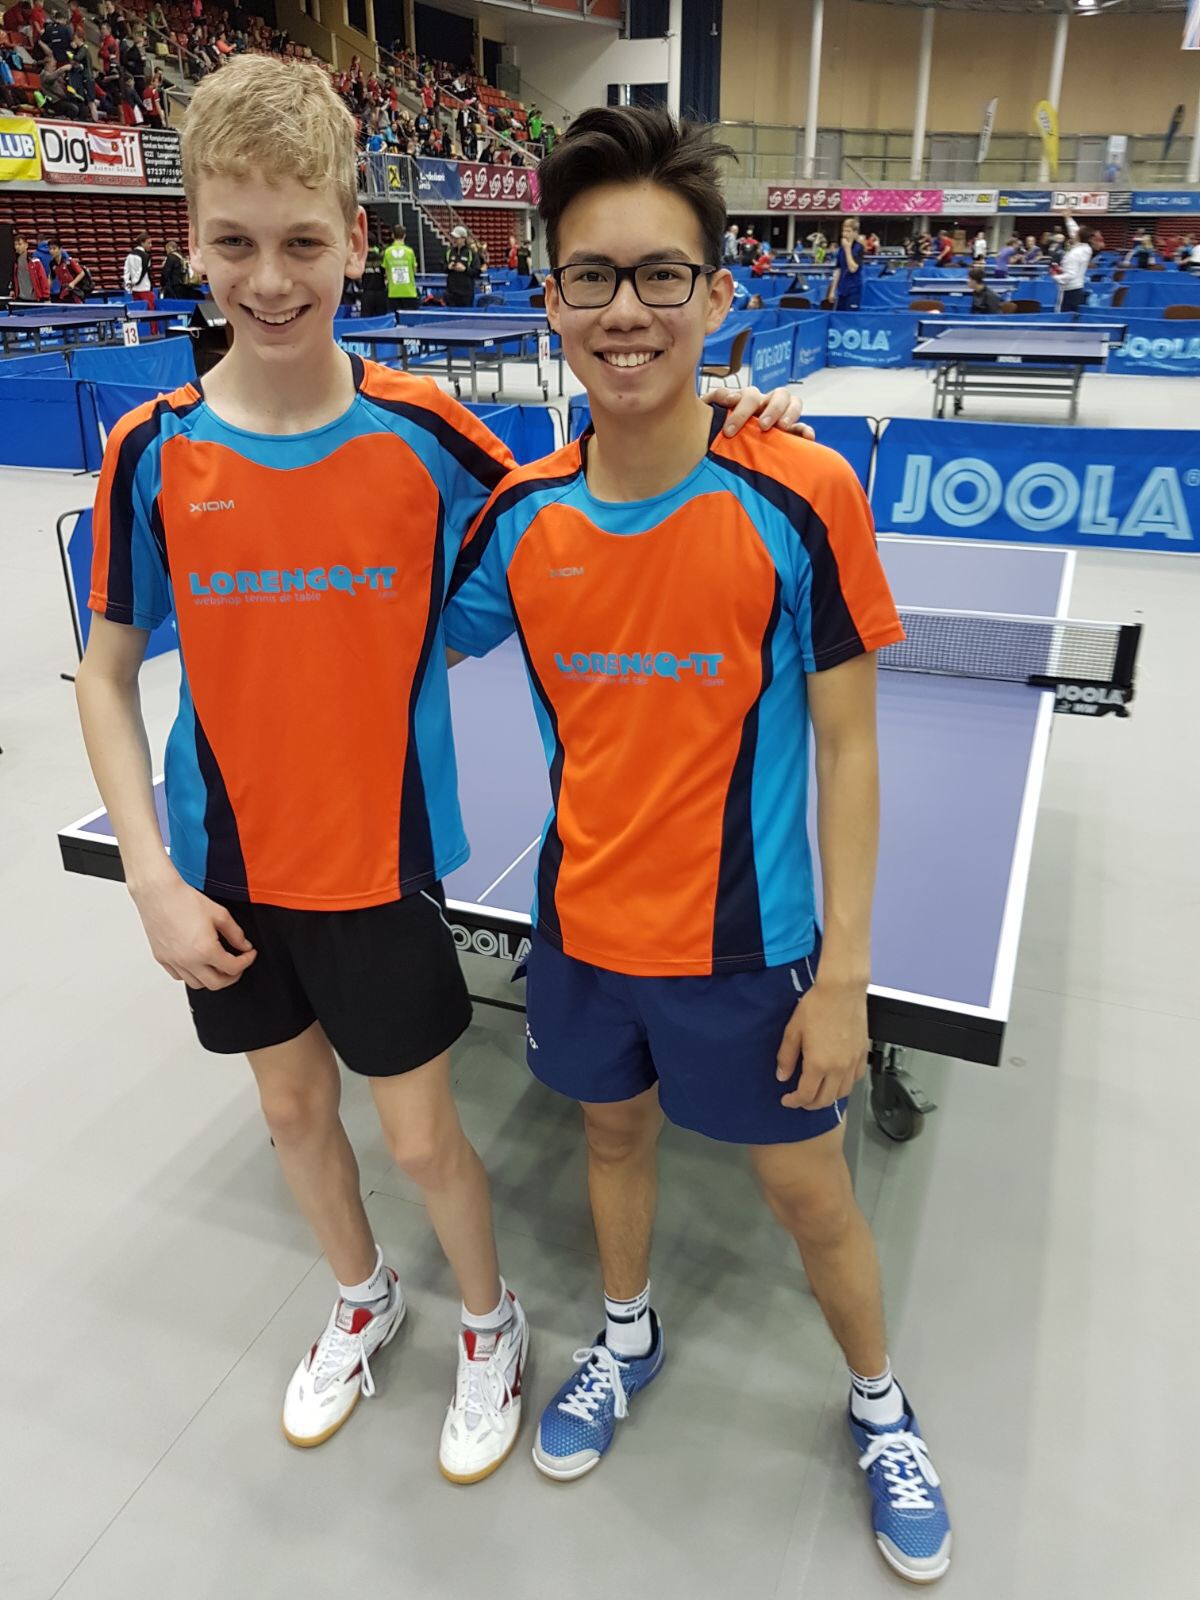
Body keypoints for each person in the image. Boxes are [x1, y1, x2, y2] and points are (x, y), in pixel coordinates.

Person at [69, 50, 812, 1493]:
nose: (269, 278)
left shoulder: (425, 434)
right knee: (292, 1115)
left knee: (419, 1143)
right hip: (220, 872)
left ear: (358, 238)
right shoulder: (149, 452)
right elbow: (104, 672)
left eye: (302, 242)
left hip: (376, 864)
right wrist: (150, 877)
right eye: (234, 243)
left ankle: (487, 1319)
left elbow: (584, 488)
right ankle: (361, 1300)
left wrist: (719, 417)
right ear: (191, 244)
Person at [443, 104, 951, 1588]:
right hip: (583, 934)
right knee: (611, 1138)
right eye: (591, 276)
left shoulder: (801, 493)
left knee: (808, 1191)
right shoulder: (523, 520)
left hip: (754, 946)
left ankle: (880, 1404)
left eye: (662, 275)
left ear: (719, 295)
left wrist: (846, 976)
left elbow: (851, 746)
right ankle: (627, 1333)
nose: (627, 309)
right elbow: (392, 628)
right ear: (549, 299)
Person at [828, 216, 865, 311]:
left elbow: (853, 268)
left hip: (854, 289)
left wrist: (847, 249)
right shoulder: (840, 249)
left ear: (855, 233)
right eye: (843, 231)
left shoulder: (859, 248)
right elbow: (838, 270)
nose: (845, 234)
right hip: (841, 289)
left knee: (850, 316)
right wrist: (832, 290)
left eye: (848, 231)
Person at [1057, 223, 1093, 314]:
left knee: (1064, 318)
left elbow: (1070, 274)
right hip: (1078, 288)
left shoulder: (1074, 253)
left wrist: (1055, 277)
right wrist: (1068, 218)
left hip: (1069, 291)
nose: (1073, 234)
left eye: (1076, 233)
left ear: (1078, 237)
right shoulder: (1087, 249)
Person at [381, 223, 418, 306]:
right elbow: (414, 270)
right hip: (409, 292)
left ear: (392, 235)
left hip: (393, 293)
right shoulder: (410, 252)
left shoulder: (387, 252)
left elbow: (386, 272)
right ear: (404, 236)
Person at [444, 224, 479, 307]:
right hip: (451, 293)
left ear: (463, 239)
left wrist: (465, 269)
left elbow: (477, 272)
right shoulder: (449, 252)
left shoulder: (471, 253)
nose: (454, 240)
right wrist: (448, 267)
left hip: (466, 294)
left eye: (457, 238)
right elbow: (443, 267)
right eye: (453, 237)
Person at [47, 236, 90, 301]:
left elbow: (82, 273)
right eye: (50, 249)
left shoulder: (68, 261)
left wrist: (72, 283)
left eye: (54, 249)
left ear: (60, 249)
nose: (51, 251)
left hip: (75, 291)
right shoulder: (52, 264)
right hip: (64, 291)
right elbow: (51, 278)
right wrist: (46, 293)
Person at [10, 233, 50, 302]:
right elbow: (13, 278)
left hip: (34, 300)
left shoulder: (35, 261)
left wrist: (46, 297)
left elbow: (43, 279)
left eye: (19, 244)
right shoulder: (15, 262)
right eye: (15, 244)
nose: (17, 247)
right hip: (21, 299)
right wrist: (13, 290)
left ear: (26, 245)